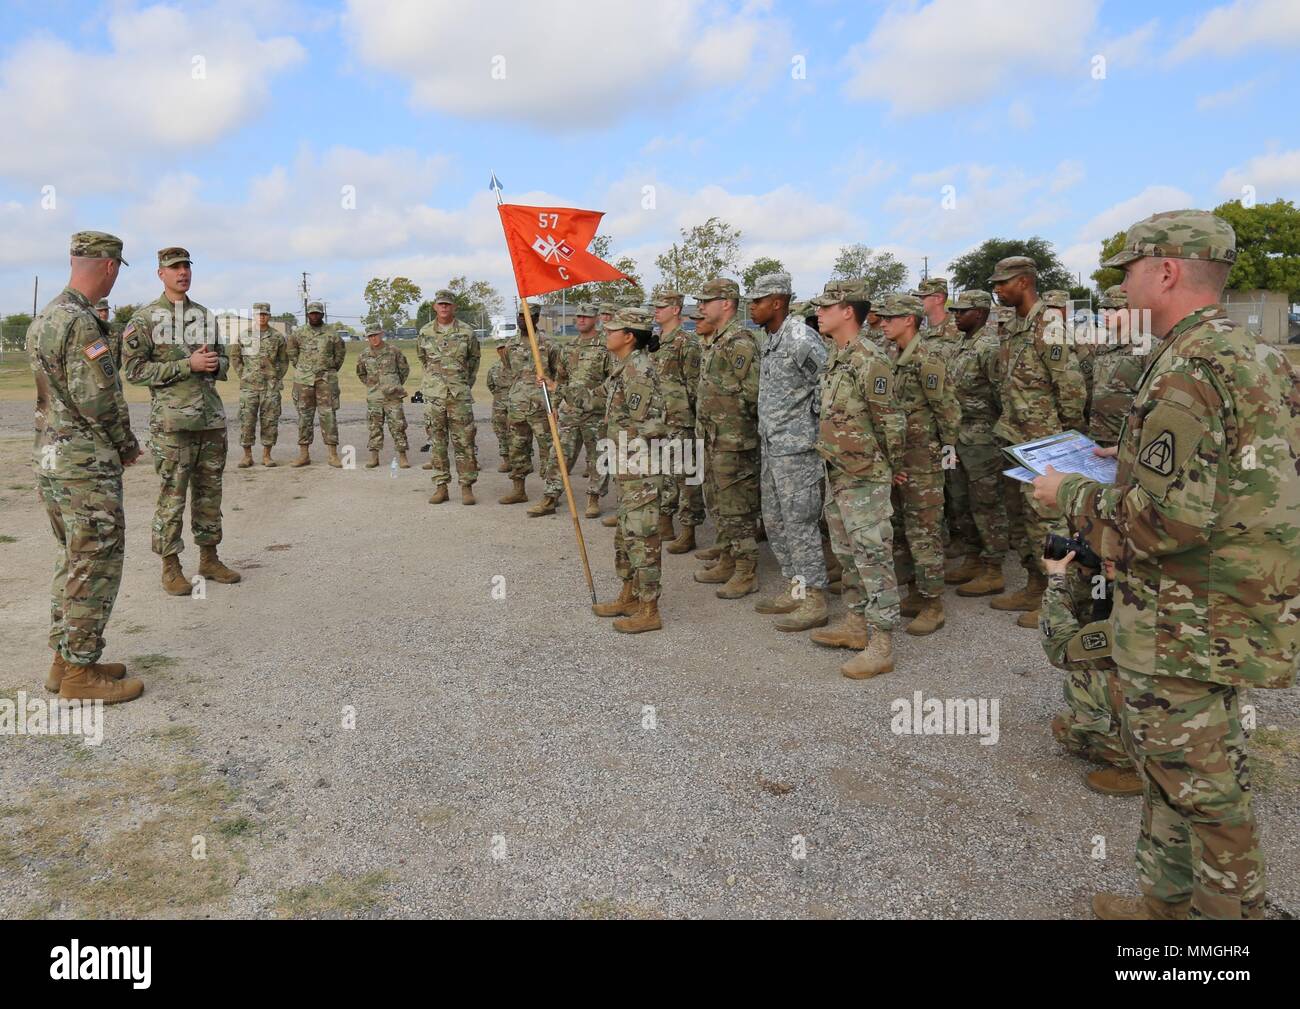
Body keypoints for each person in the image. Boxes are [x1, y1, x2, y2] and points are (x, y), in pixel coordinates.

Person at [1034, 209, 1300, 920]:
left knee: (1208, 797)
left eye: (1127, 272)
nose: (1120, 289)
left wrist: (1070, 494)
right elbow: (1232, 482)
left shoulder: (1189, 369)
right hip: (1219, 613)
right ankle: (1169, 906)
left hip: (1189, 622)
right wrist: (1121, 465)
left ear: (1168, 271)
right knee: (1174, 775)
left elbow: (1162, 524)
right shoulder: (1249, 356)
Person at [29, 231, 143, 703]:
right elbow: (98, 398)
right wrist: (126, 444)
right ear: (110, 266)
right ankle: (78, 674)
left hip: (52, 459)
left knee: (72, 558)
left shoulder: (44, 319)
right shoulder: (81, 323)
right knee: (96, 561)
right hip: (84, 464)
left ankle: (67, 660)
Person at [123, 247, 240, 594]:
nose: (183, 272)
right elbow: (133, 370)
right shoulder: (143, 320)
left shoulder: (204, 315)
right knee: (172, 496)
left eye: (186, 266)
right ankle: (170, 566)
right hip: (173, 425)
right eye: (175, 267)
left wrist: (213, 364)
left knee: (209, 495)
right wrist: (186, 365)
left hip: (210, 421)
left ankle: (209, 558)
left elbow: (224, 362)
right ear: (161, 273)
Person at [808, 280, 905, 678]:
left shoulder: (869, 359)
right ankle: (855, 626)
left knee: (872, 555)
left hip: (864, 475)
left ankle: (881, 643)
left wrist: (891, 464)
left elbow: (890, 419)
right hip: (839, 471)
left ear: (848, 311)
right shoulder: (838, 355)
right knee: (847, 555)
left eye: (827, 307)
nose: (819, 312)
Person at [988, 256, 1086, 628]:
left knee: (1049, 521)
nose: (998, 288)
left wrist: (1063, 442)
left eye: (1004, 282)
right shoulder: (1014, 325)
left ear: (1025, 282)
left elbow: (1071, 387)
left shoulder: (1050, 325)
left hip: (1045, 443)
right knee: (1023, 519)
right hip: (1015, 438)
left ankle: (1061, 599)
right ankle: (1034, 584)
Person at [749, 272, 830, 631]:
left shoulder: (800, 338)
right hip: (772, 448)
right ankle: (795, 588)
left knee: (800, 524)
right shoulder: (770, 340)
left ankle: (815, 599)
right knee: (775, 521)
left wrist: (809, 427)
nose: (752, 307)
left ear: (777, 302)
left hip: (797, 451)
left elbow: (827, 384)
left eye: (757, 301)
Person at [1039, 519, 1141, 797]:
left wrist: (1057, 581)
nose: (1105, 553)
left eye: (1115, 545)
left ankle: (1139, 769)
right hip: (1192, 713)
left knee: (1082, 683)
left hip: (1177, 716)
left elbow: (1062, 651)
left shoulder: (1137, 610)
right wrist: (1086, 571)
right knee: (1067, 729)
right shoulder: (1152, 584)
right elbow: (1092, 622)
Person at [879, 293, 961, 636]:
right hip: (897, 461)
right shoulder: (891, 355)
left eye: (890, 318)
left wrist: (943, 459)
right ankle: (913, 591)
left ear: (909, 320)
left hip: (923, 461)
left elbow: (949, 413)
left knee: (924, 533)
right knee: (900, 531)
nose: (883, 323)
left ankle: (933, 604)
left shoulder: (927, 359)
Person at [589, 308, 667, 634]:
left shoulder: (639, 373)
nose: (606, 334)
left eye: (613, 330)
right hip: (625, 465)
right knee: (625, 534)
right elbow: (598, 400)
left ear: (629, 336)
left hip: (640, 467)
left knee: (642, 536)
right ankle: (629, 594)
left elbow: (653, 425)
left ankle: (650, 609)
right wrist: (552, 387)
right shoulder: (623, 369)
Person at [693, 278, 761, 599]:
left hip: (735, 442)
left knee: (737, 508)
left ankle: (746, 570)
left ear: (727, 304)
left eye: (707, 301)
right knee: (718, 503)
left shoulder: (740, 342)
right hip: (713, 438)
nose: (701, 307)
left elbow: (754, 393)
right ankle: (727, 557)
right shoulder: (716, 341)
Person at [944, 289, 1008, 596]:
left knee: (987, 504)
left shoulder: (989, 347)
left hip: (983, 438)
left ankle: (993, 568)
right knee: (960, 500)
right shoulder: (962, 343)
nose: (956, 315)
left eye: (962, 311)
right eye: (955, 311)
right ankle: (972, 557)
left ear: (980, 314)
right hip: (957, 437)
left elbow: (1002, 395)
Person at [650, 290, 704, 549]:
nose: (656, 310)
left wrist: (696, 421)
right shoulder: (657, 340)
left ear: (676, 309)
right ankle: (664, 519)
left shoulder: (687, 342)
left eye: (661, 306)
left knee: (686, 476)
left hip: (681, 419)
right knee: (662, 473)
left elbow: (695, 385)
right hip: (660, 418)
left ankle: (689, 529)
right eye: (655, 306)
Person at [416, 289, 479, 504]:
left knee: (464, 442)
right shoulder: (425, 332)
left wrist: (461, 383)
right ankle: (441, 486)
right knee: (437, 443)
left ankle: (466, 487)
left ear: (454, 307)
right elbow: (423, 359)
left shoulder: (467, 332)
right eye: (440, 304)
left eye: (448, 304)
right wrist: (436, 382)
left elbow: (473, 361)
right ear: (435, 307)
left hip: (459, 396)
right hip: (434, 396)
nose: (444, 307)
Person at [501, 304, 562, 511]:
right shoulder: (510, 345)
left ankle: (551, 493)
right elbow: (510, 371)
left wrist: (555, 404)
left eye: (526, 316)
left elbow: (558, 374)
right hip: (518, 404)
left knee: (548, 450)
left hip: (541, 405)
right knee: (517, 448)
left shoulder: (549, 344)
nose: (521, 319)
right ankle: (519, 490)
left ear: (536, 319)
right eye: (519, 315)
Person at [556, 303, 612, 518]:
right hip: (570, 412)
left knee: (598, 457)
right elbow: (561, 378)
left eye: (586, 317)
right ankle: (552, 494)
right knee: (560, 456)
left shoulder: (605, 346)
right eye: (578, 316)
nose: (581, 320)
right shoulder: (569, 346)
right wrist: (554, 406)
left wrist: (608, 410)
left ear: (595, 319)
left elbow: (612, 380)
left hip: (595, 412)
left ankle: (593, 499)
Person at [1086, 285, 1150, 448]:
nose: (1106, 314)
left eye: (1114, 309)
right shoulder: (1103, 345)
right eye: (1104, 308)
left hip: (1128, 442)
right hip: (1099, 437)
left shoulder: (1145, 345)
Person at [285, 300, 345, 468]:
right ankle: (304, 454)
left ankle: (333, 455)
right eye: (311, 313)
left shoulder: (332, 333)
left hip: (326, 380)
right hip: (303, 381)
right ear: (307, 315)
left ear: (322, 315)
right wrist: (302, 368)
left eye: (317, 313)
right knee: (304, 416)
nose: (314, 316)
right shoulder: (298, 333)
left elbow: (340, 354)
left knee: (329, 416)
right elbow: (292, 352)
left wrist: (329, 368)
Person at [229, 301, 289, 467]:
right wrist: (243, 374)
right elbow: (235, 357)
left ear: (269, 316)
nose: (262, 317)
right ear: (254, 316)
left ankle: (267, 455)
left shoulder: (277, 337)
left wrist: (276, 376)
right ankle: (247, 456)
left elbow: (284, 360)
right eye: (258, 314)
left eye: (265, 314)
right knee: (246, 421)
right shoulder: (243, 335)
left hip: (270, 387)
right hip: (249, 387)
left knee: (270, 421)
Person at [355, 325, 411, 468]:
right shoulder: (364, 355)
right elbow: (361, 373)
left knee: (398, 426)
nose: (373, 338)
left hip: (393, 396)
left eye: (376, 335)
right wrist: (372, 386)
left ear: (382, 334)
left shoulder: (394, 351)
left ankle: (403, 457)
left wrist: (394, 384)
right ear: (367, 337)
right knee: (374, 427)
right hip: (374, 397)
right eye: (370, 336)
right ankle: (374, 457)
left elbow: (404, 370)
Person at [486, 342, 512, 473]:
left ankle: (523, 461)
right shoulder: (494, 367)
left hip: (515, 403)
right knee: (501, 432)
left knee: (519, 433)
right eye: (499, 349)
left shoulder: (516, 366)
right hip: (499, 404)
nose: (502, 351)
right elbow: (490, 384)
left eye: (504, 348)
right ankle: (507, 460)